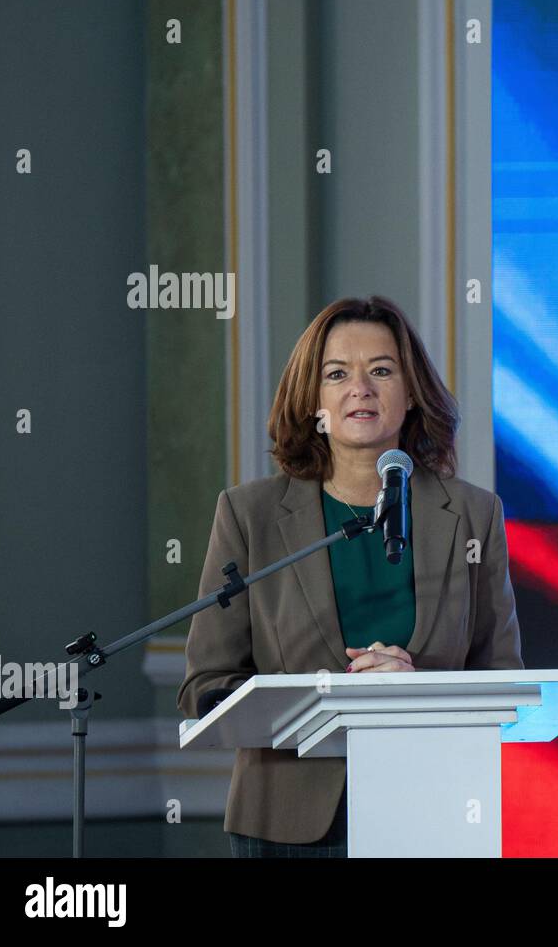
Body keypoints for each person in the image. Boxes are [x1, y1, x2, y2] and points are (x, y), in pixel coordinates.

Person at [176, 295, 524, 857]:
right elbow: (205, 686)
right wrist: (325, 697)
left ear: (410, 395)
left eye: (381, 371)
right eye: (337, 373)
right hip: (286, 821)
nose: (360, 387)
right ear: (315, 400)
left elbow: (502, 678)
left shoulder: (473, 514)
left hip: (432, 812)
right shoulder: (251, 515)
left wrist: (413, 690)